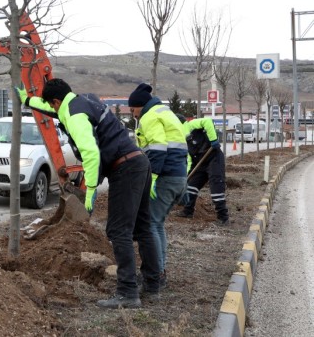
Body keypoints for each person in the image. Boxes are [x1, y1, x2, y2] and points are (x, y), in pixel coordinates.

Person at [17, 79, 161, 309]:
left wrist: (90, 191)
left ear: (57, 101)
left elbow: (92, 154)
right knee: (142, 226)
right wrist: (27, 100)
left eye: (52, 105)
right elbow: (53, 110)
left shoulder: (74, 116)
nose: (52, 110)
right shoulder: (81, 101)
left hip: (125, 168)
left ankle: (127, 292)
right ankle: (153, 282)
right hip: (139, 162)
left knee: (118, 230)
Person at [127, 83, 188, 289]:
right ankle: (160, 270)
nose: (133, 114)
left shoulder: (150, 116)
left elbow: (158, 148)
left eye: (133, 109)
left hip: (165, 177)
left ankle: (156, 275)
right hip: (177, 176)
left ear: (140, 106)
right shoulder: (165, 113)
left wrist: (150, 179)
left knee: (150, 224)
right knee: (157, 223)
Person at [175, 115, 230, 225]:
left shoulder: (191, 125)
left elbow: (208, 121)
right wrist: (188, 174)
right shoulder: (180, 137)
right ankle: (188, 211)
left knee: (216, 187)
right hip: (199, 162)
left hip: (213, 158)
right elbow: (189, 159)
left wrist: (213, 139)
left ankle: (223, 217)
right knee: (191, 185)